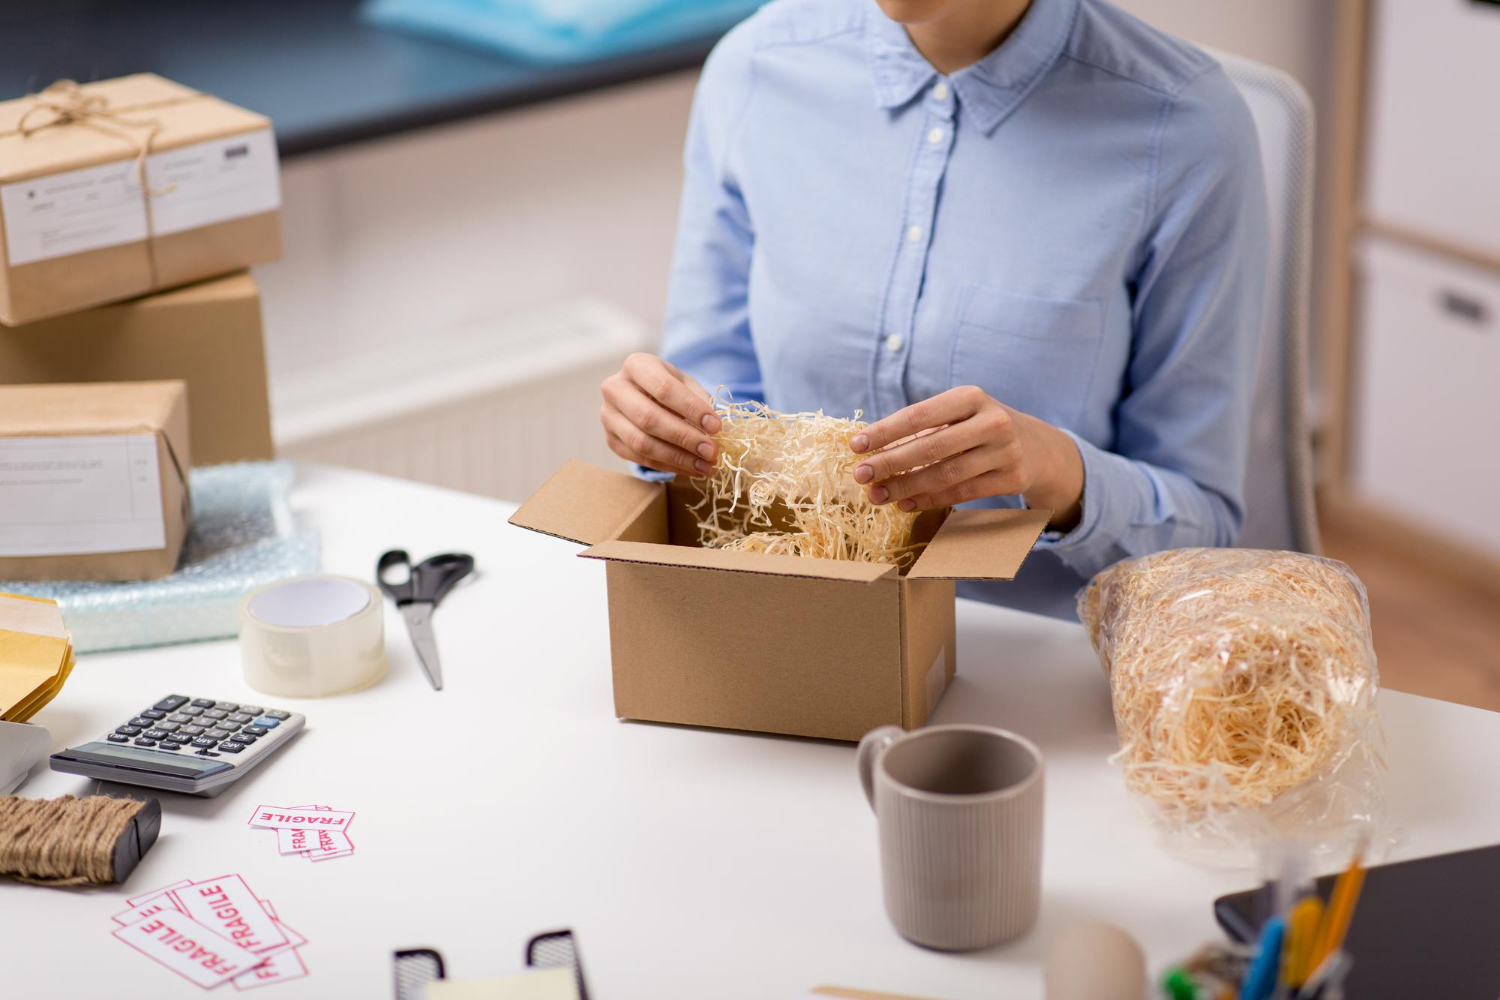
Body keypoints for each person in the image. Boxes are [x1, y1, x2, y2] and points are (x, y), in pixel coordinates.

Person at [597, 0, 1268, 619]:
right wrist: (667, 430)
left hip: (1045, 673)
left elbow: (1202, 523)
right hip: (798, 635)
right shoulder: (755, 70)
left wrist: (1058, 473)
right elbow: (715, 404)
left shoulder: (1184, 129)